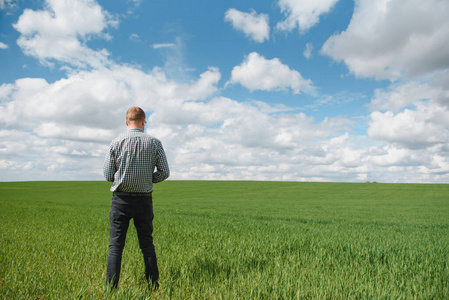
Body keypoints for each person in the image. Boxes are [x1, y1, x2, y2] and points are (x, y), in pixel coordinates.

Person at [103, 106, 170, 290]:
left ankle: (111, 288)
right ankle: (153, 285)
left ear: (127, 122)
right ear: (143, 122)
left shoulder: (116, 142)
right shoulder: (155, 142)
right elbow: (164, 172)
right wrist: (149, 179)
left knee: (116, 246)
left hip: (120, 200)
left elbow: (108, 175)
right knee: (147, 244)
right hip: (144, 200)